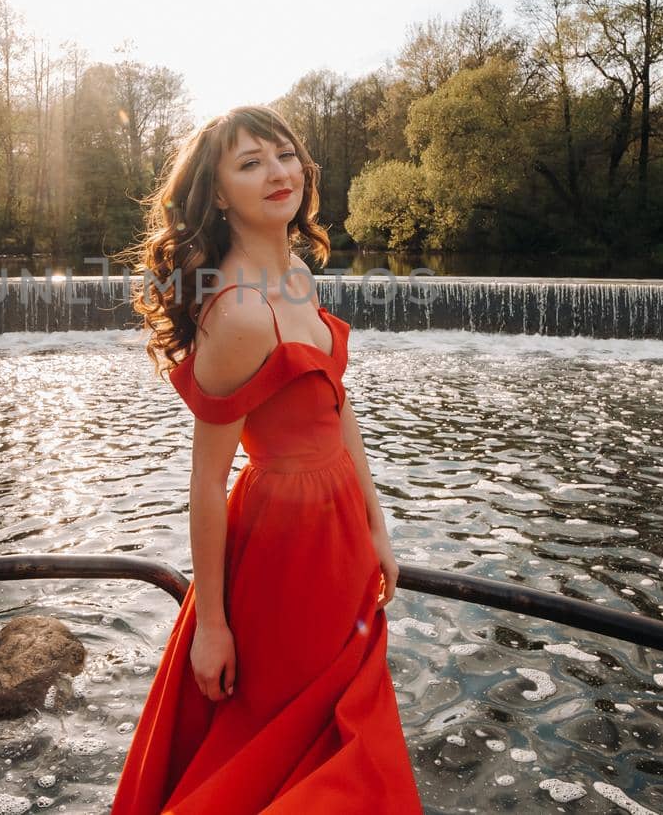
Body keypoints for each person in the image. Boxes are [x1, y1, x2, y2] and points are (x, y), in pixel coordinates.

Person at [111, 105, 423, 813]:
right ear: (219, 193)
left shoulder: (301, 280)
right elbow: (206, 480)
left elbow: (338, 415)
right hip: (283, 553)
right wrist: (214, 625)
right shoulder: (240, 310)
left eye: (284, 155)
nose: (277, 172)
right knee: (291, 750)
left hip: (338, 538)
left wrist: (377, 528)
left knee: (336, 735)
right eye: (250, 162)